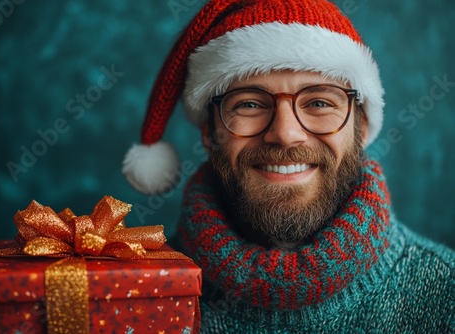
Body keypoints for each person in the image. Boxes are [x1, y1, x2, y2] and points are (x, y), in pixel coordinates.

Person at [122, 0, 455, 332]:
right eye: (249, 104)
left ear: (362, 127)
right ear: (210, 132)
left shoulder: (446, 294)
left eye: (320, 102)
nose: (285, 134)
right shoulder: (132, 296)